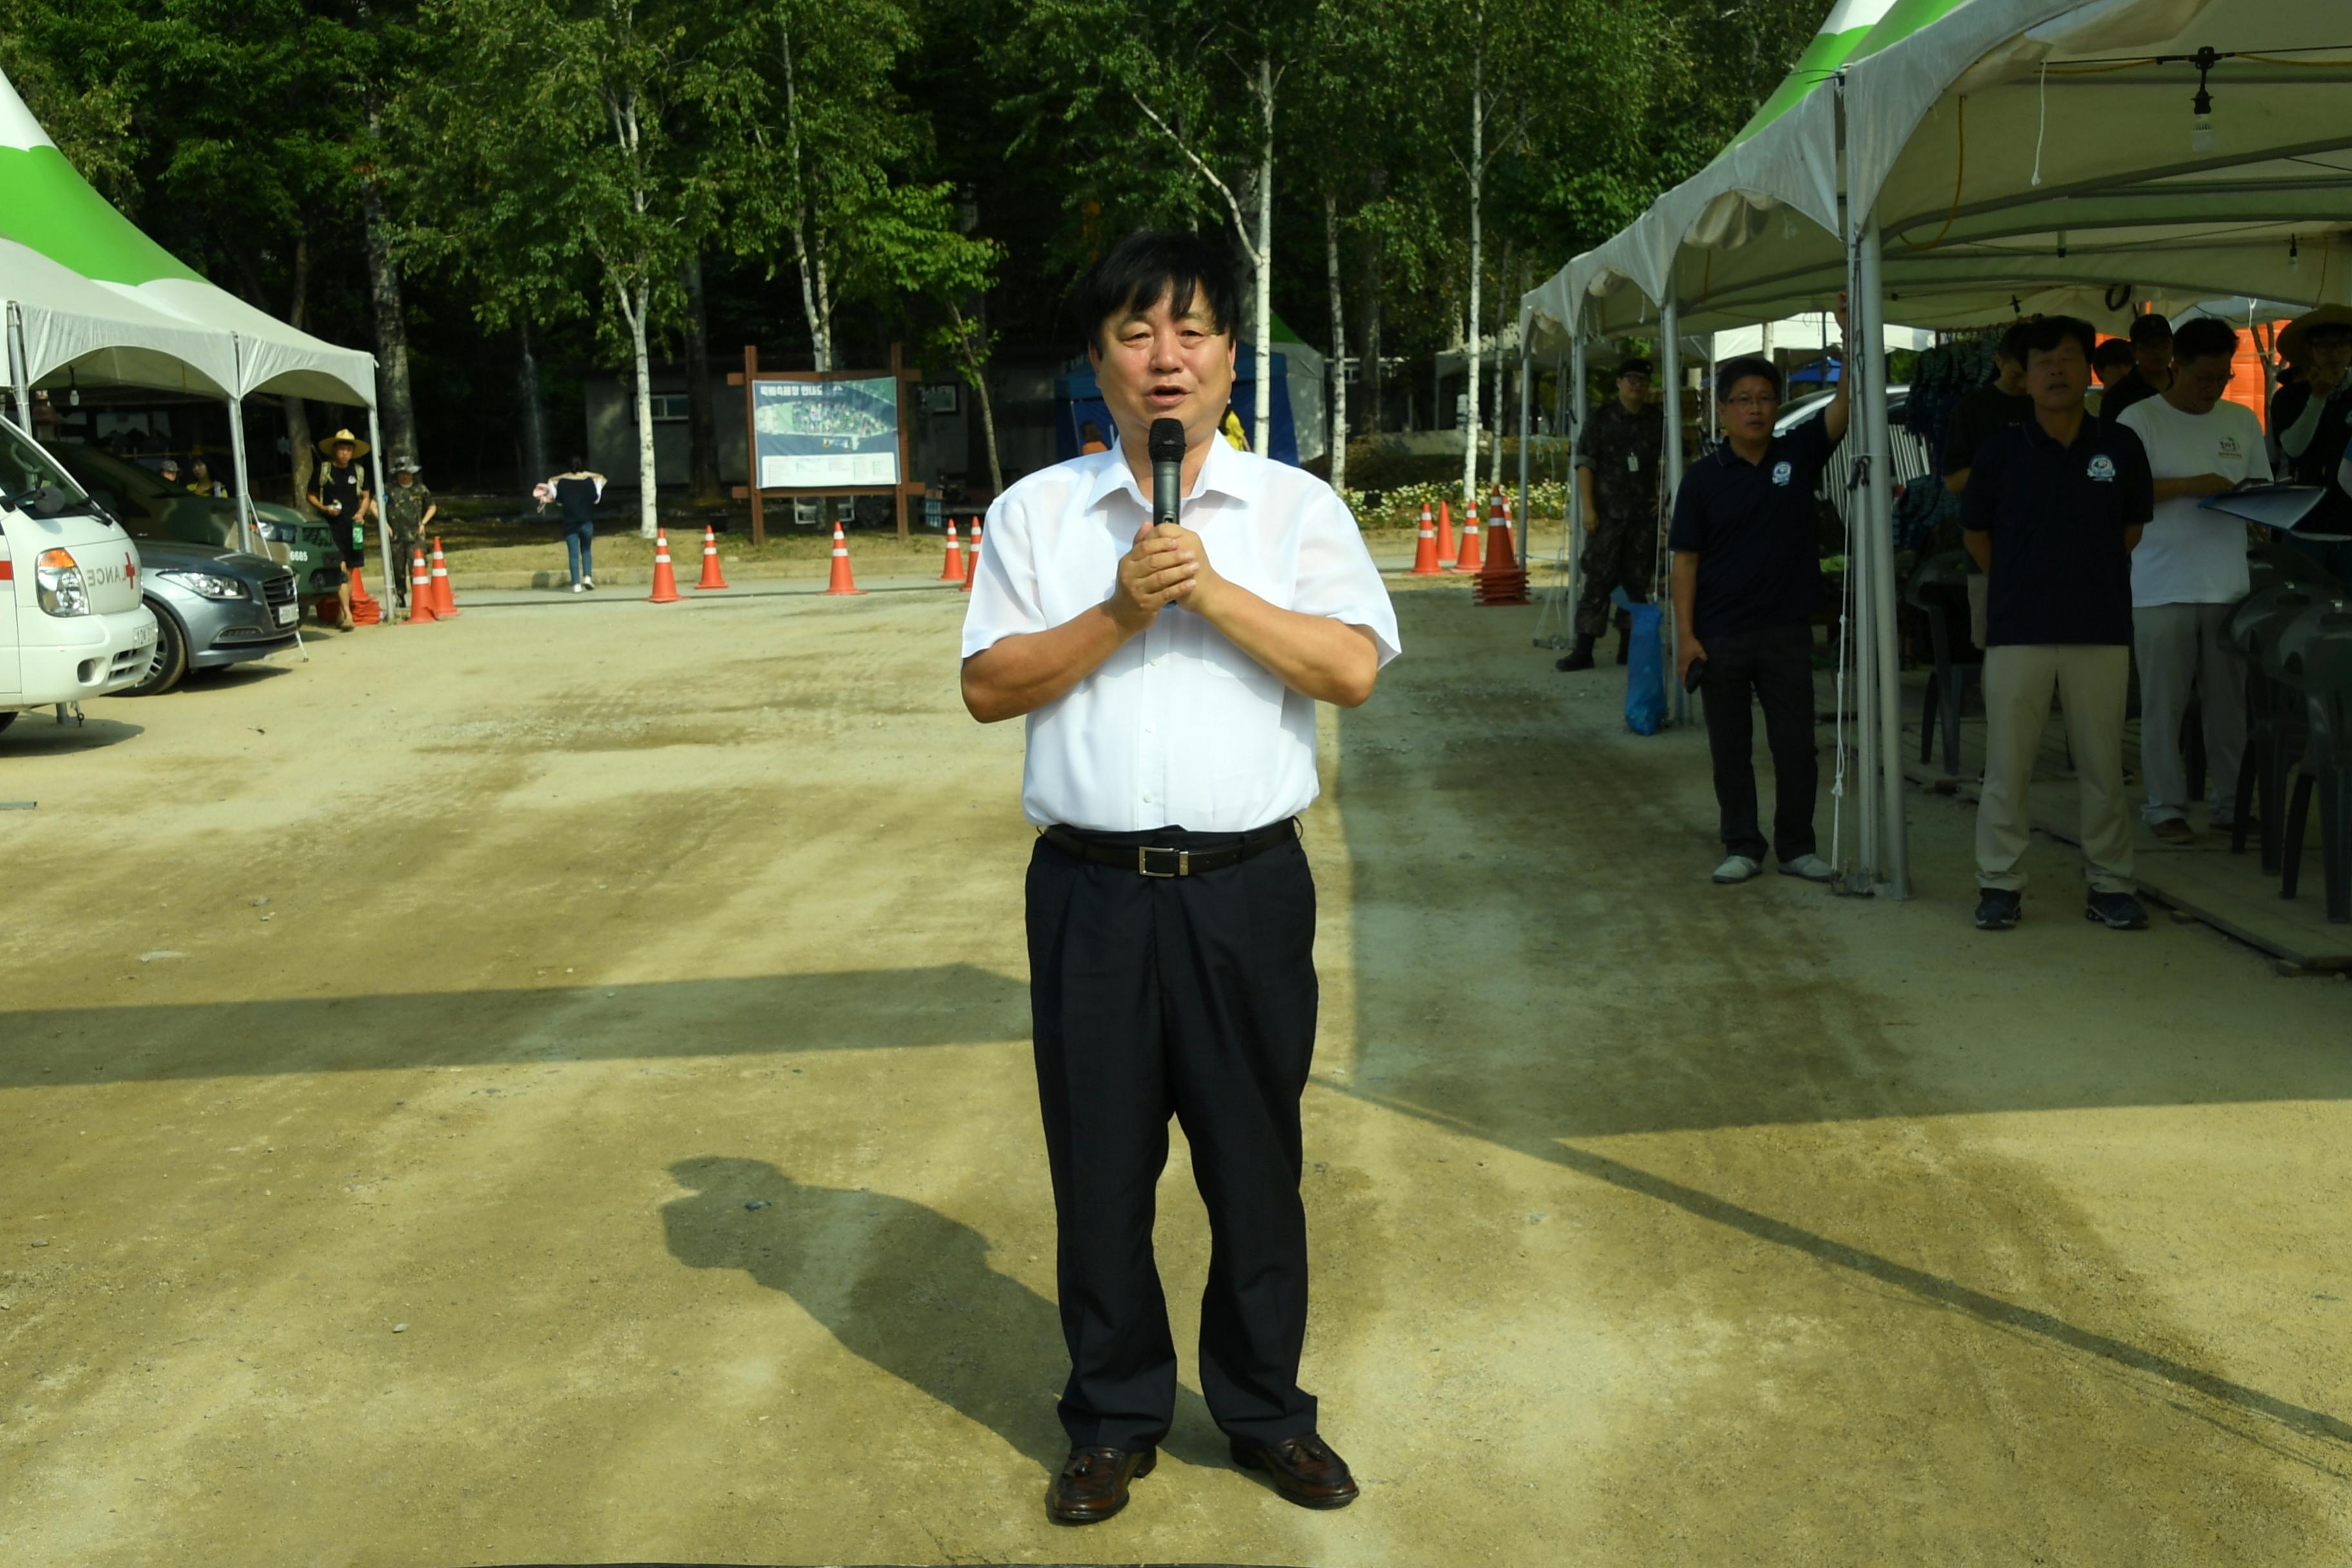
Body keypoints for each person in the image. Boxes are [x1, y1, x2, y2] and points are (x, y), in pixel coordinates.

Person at [959, 230, 1396, 1527]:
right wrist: (1119, 612)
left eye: (1193, 331)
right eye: (1137, 333)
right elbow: (990, 688)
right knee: (1099, 1166)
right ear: (1097, 361)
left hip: (1247, 892)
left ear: (1228, 355)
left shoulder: (1295, 509)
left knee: (1254, 1160)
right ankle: (1112, 1417)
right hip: (1090, 893)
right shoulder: (1036, 513)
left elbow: (1350, 670)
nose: (1167, 358)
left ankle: (1266, 1410)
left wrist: (1206, 593)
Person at [1962, 316, 2154, 932]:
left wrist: (2084, 576)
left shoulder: (2119, 445)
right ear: (2025, 373)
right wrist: (2024, 581)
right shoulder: (2000, 449)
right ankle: (1999, 883)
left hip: (2099, 627)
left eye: (2068, 358)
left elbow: (2132, 526)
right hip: (2018, 628)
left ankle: (2112, 884)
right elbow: (1976, 534)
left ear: (2086, 369)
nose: (2055, 370)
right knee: (2007, 765)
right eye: (2043, 360)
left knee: (2103, 767)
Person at [1668, 311, 1848, 888]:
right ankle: (1742, 844)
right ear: (1722, 410)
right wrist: (1687, 635)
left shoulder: (1797, 456)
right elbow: (1685, 561)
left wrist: (1853, 337)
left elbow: (1846, 409)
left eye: (1765, 398)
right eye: (1743, 399)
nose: (1755, 408)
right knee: (1732, 748)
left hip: (1787, 631)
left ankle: (1797, 846)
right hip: (1720, 635)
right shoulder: (1702, 479)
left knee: (1797, 745)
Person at [2115, 318, 2269, 845]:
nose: (2214, 388)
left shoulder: (2242, 421)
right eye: (2205, 376)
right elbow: (2121, 494)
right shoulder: (2139, 420)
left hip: (2228, 585)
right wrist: (2192, 486)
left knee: (2230, 706)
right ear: (2175, 366)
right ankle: (2165, 807)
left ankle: (2231, 804)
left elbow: (2262, 493)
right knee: (2164, 706)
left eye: (2223, 377)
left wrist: (2256, 503)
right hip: (2160, 586)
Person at [1558, 357, 1663, 672]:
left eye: (1642, 381)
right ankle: (1584, 648)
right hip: (1606, 516)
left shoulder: (1657, 420)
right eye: (1630, 379)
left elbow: (1674, 459)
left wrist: (1664, 494)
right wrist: (1588, 508)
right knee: (1598, 580)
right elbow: (1585, 464)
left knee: (1636, 582)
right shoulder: (1601, 419)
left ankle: (1629, 647)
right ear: (1618, 383)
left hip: (1642, 517)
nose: (1636, 385)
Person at [1941, 320, 2037, 650]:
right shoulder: (1972, 409)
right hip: (1988, 551)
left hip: (2045, 550)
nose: (2024, 385)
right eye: (2015, 375)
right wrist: (2003, 464)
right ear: (1998, 362)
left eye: (2030, 375)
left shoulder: (2049, 406)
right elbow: (1953, 481)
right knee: (1997, 648)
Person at [2268, 305, 2352, 542]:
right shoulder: (2289, 397)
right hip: (2302, 522)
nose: (2333, 353)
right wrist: (2318, 397)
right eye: (2324, 345)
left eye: (2342, 344)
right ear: (2310, 350)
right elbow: (2294, 449)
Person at [307, 428, 374, 631]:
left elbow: (366, 495)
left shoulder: (359, 471)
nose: (345, 453)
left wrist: (362, 513)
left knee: (351, 569)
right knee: (340, 568)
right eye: (342, 449)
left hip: (354, 528)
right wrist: (324, 508)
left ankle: (341, 613)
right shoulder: (324, 470)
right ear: (334, 450)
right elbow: (310, 495)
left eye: (348, 449)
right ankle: (348, 614)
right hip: (332, 527)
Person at [2095, 313, 2173, 424]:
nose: (2157, 351)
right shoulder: (2117, 397)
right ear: (2133, 350)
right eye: (2148, 345)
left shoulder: (2185, 385)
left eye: (2163, 344)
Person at [382, 456, 438, 607]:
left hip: (415, 537)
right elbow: (375, 505)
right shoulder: (389, 489)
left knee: (417, 567)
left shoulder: (420, 489)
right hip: (396, 537)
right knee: (398, 569)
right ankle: (400, 597)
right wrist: (384, 523)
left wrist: (423, 523)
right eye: (401, 473)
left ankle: (420, 598)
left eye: (407, 472)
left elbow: (432, 506)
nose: (404, 476)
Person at [546, 459, 605, 591]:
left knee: (573, 554)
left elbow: (559, 501)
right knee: (586, 550)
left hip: (569, 522)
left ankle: (576, 584)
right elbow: (595, 499)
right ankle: (588, 577)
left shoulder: (563, 483)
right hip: (586, 521)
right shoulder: (588, 481)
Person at [2089, 337, 2137, 415]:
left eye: (2128, 365)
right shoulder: (2088, 408)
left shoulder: (2142, 404)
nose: (2125, 372)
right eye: (2116, 366)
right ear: (2100, 371)